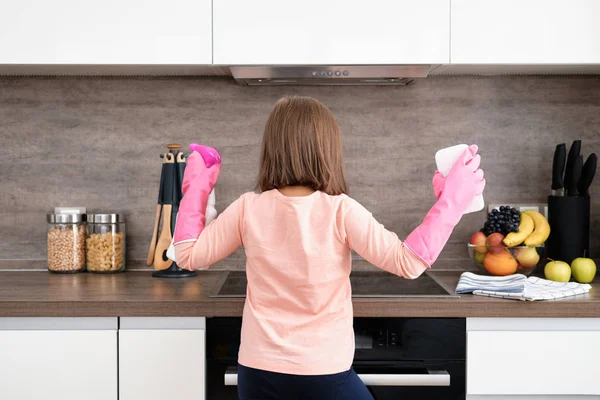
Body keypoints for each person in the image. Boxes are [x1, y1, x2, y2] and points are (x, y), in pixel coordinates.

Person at [173, 96, 485, 400]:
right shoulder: (341, 210)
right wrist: (450, 203)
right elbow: (409, 262)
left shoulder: (247, 208)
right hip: (323, 373)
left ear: (271, 149)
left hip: (257, 372)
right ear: (327, 150)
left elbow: (187, 254)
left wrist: (198, 186)